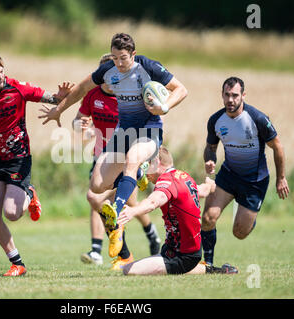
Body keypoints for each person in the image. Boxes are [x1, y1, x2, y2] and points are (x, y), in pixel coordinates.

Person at [39, 33, 188, 269]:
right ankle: (135, 177)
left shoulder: (148, 67)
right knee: (96, 186)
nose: (119, 63)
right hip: (123, 132)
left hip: (149, 130)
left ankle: (116, 213)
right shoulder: (107, 71)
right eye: (116, 58)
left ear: (133, 55)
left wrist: (164, 106)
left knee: (132, 159)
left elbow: (181, 89)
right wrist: (59, 110)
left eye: (124, 58)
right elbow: (80, 89)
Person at [0, 48, 73, 277]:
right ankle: (17, 263)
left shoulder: (17, 88)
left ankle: (29, 194)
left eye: (1, 71)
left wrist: (61, 96)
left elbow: (52, 98)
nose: (0, 76)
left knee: (12, 213)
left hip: (18, 158)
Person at [74, 54, 161, 266]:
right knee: (100, 199)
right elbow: (78, 122)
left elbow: (153, 123)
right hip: (103, 157)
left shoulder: (129, 96)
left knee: (112, 202)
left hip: (128, 156)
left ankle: (123, 250)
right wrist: (82, 129)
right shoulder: (92, 95)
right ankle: (132, 243)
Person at [201, 76, 290, 266]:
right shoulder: (216, 120)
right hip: (228, 175)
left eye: (235, 95)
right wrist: (210, 160)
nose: (230, 100)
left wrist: (281, 178)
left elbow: (278, 147)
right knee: (208, 218)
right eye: (227, 95)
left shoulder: (257, 118)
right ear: (222, 95)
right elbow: (210, 147)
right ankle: (207, 263)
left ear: (243, 95)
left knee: (239, 233)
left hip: (254, 182)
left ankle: (249, 218)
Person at [116, 146, 238, 275]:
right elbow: (201, 190)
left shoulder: (167, 181)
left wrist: (132, 211)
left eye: (146, 165)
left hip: (181, 254)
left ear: (157, 162)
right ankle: (217, 271)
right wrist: (209, 185)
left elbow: (153, 202)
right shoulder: (184, 176)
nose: (144, 172)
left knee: (128, 270)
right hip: (180, 250)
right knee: (136, 266)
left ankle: (209, 270)